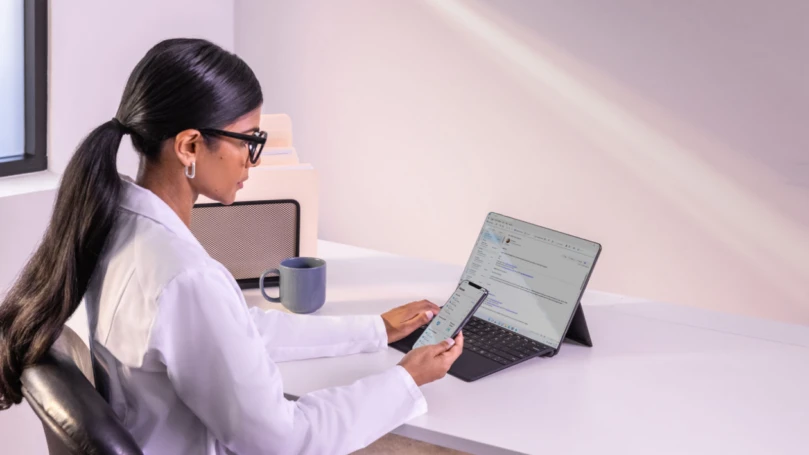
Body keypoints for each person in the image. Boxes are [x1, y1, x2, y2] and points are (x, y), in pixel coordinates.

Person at [0, 38, 463, 454]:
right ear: (189, 146)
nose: (252, 161)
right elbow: (285, 442)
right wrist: (407, 379)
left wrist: (375, 330)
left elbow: (237, 331)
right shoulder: (184, 276)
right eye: (248, 142)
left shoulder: (112, 222)